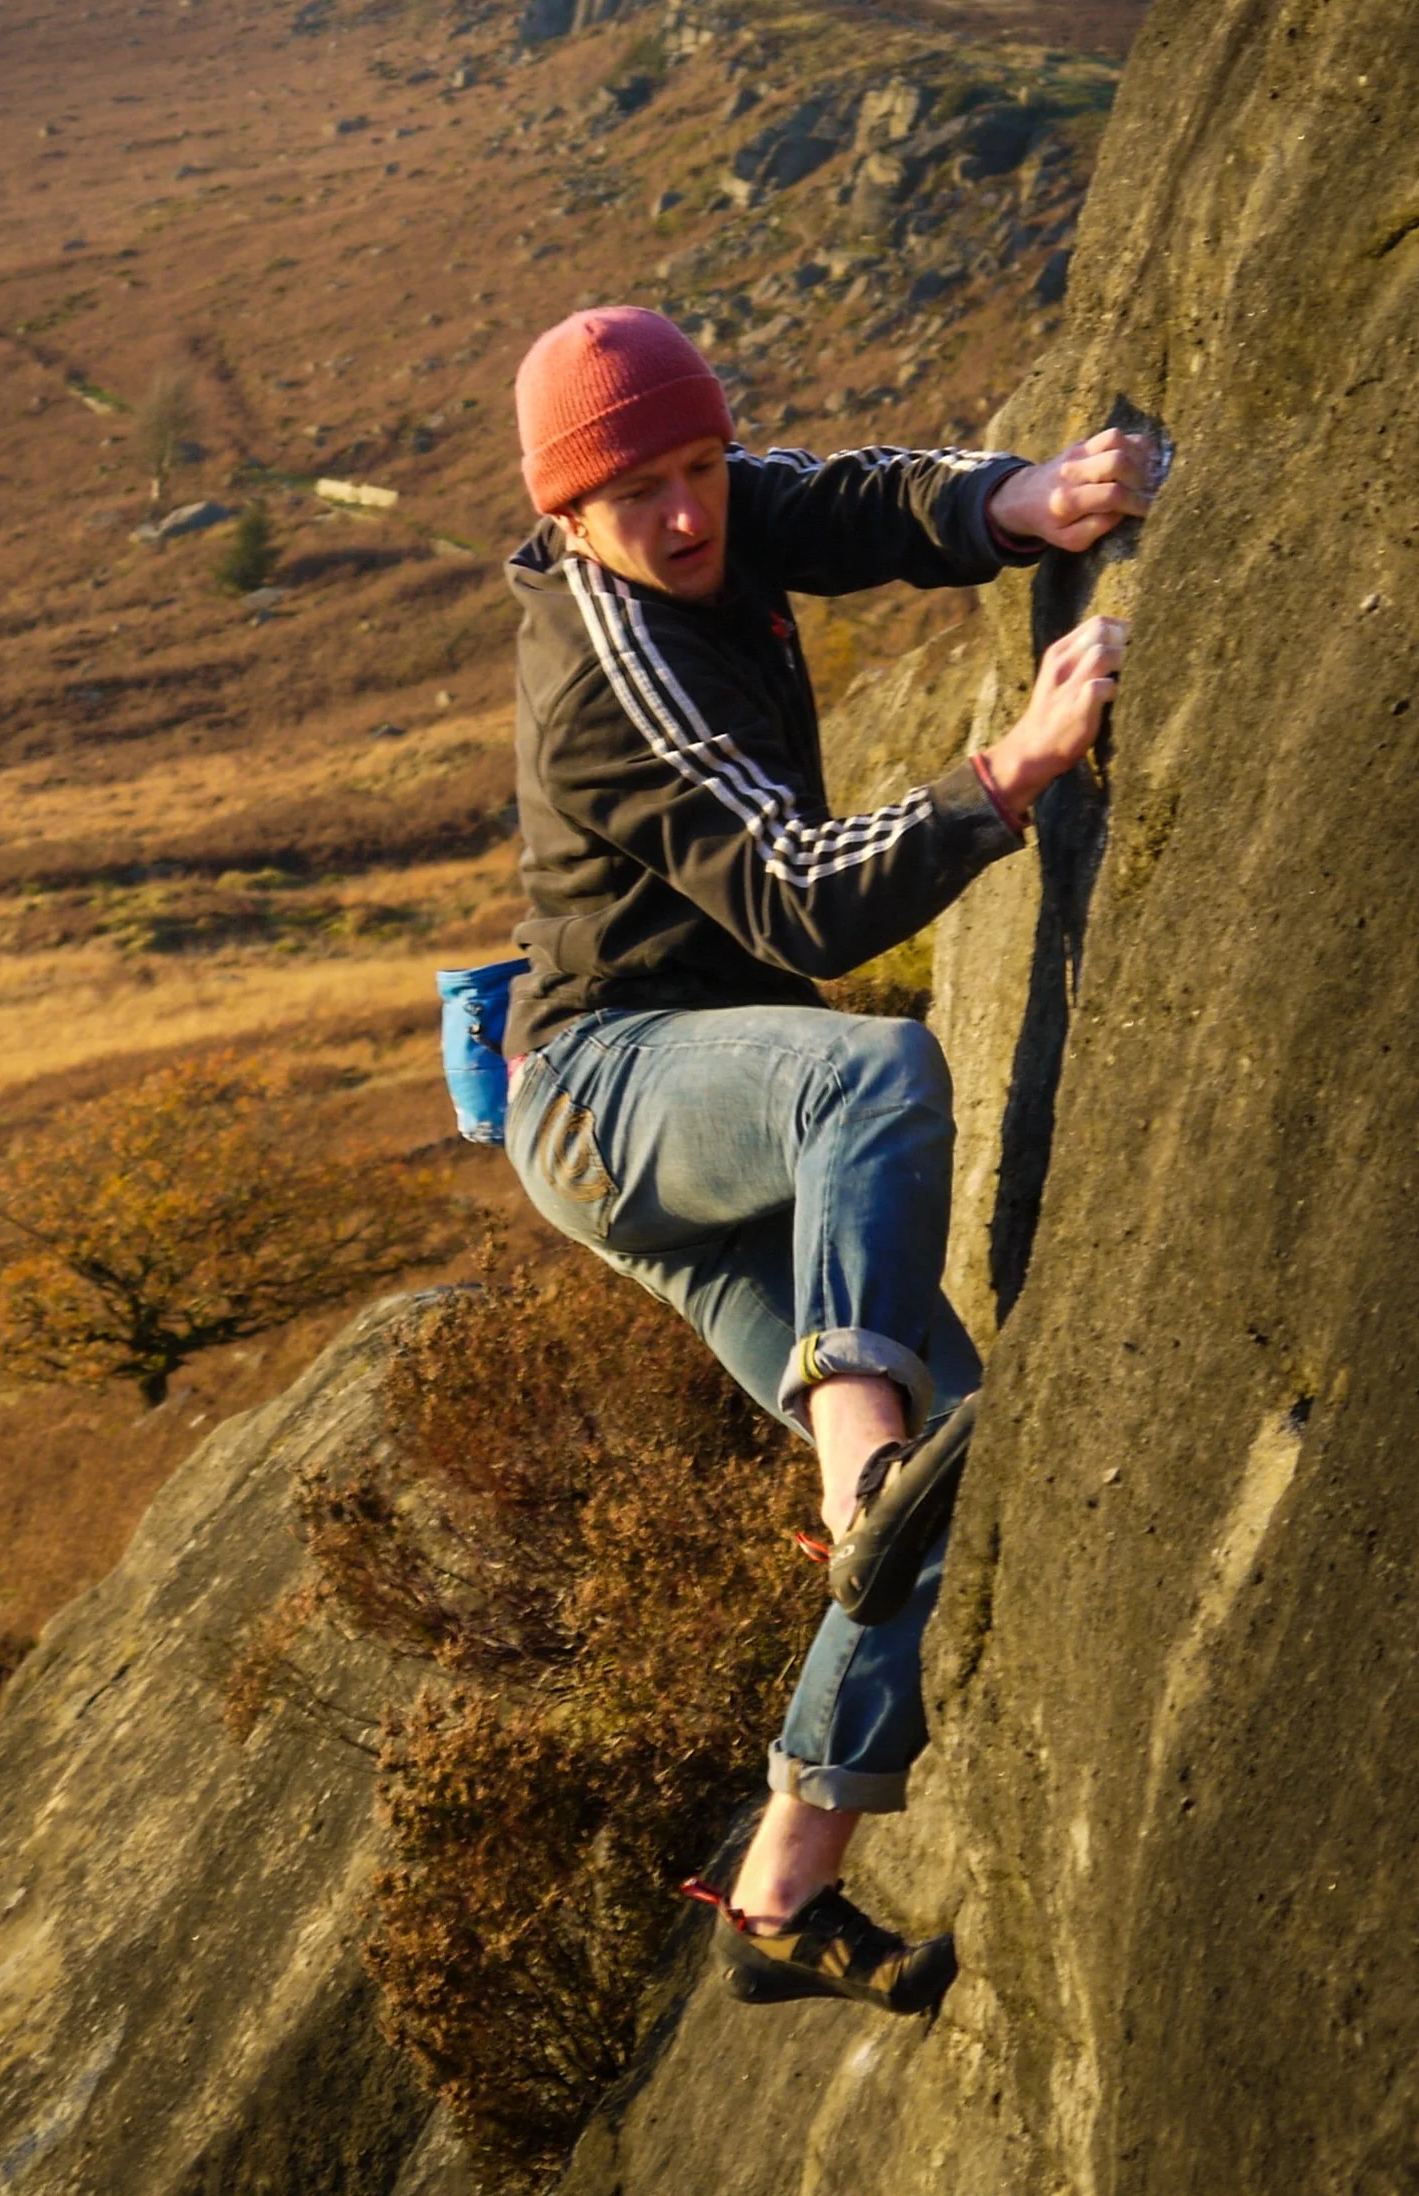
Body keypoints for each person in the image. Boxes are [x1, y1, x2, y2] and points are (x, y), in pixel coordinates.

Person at [500, 305, 1150, 2014]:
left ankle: (783, 1894)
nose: (684, 513)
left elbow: (844, 497)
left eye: (696, 468)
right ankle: (852, 1460)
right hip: (612, 1091)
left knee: (954, 1473)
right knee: (873, 1080)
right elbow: (795, 895)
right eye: (631, 492)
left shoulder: (710, 519)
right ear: (564, 515)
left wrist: (1016, 499)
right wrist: (1008, 771)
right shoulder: (605, 659)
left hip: (717, 1101)